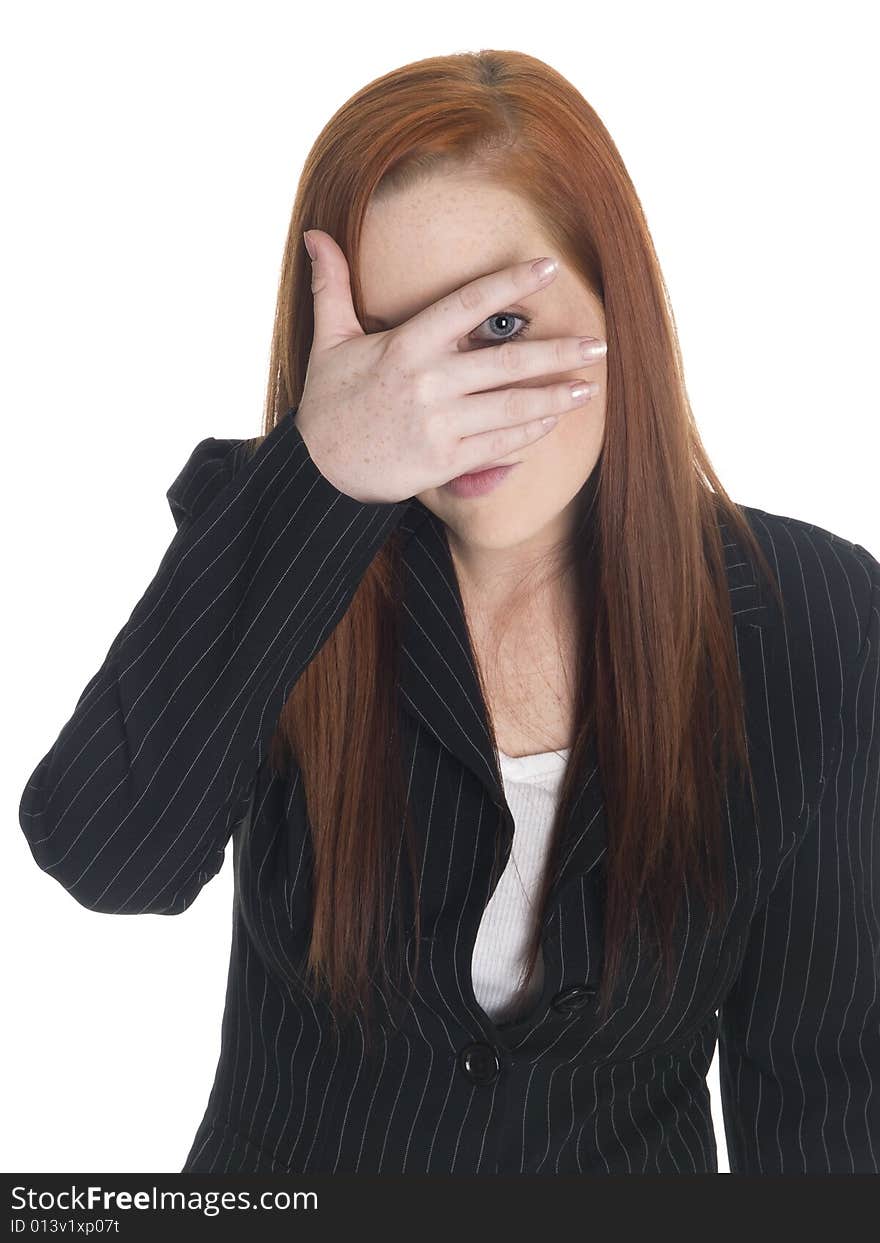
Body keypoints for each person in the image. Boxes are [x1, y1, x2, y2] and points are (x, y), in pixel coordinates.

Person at [18, 50, 879, 1175]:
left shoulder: (816, 614)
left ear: (618, 303)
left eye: (500, 329)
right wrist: (322, 477)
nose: (447, 404)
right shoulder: (272, 538)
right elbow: (110, 857)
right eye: (394, 345)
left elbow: (823, 1096)